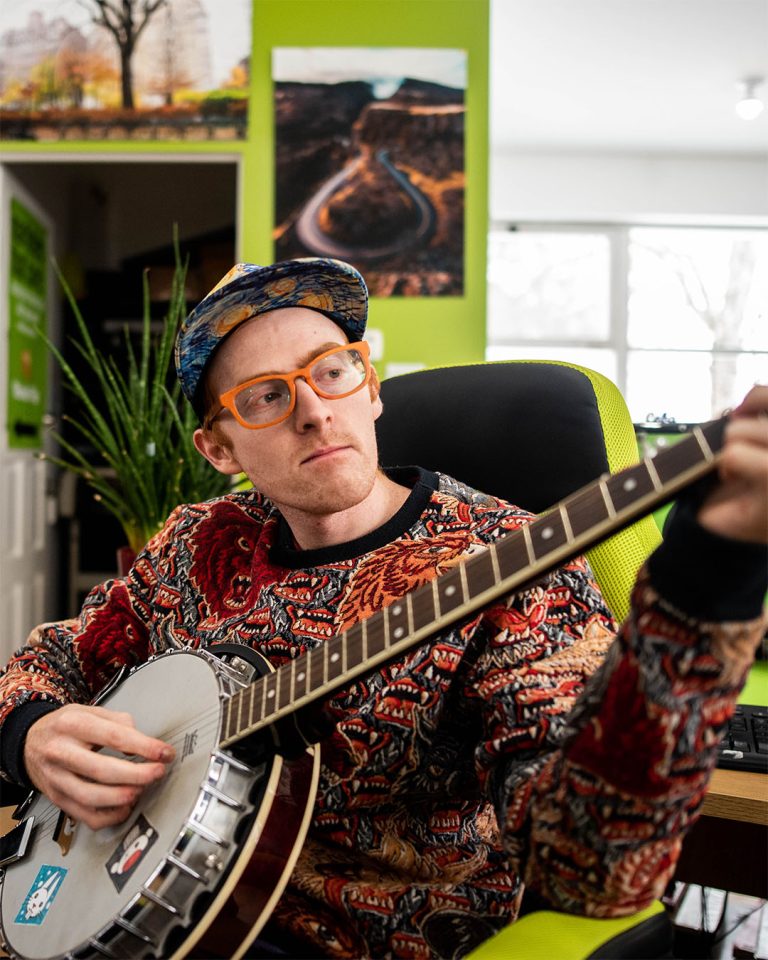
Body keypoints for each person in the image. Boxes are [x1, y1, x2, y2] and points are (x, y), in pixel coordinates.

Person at [1, 257, 767, 959]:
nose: (313, 411)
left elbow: (593, 866)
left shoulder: (508, 562)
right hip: (141, 904)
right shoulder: (196, 543)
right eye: (265, 396)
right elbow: (54, 658)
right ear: (220, 450)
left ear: (369, 388)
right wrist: (31, 734)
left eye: (331, 371)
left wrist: (709, 583)